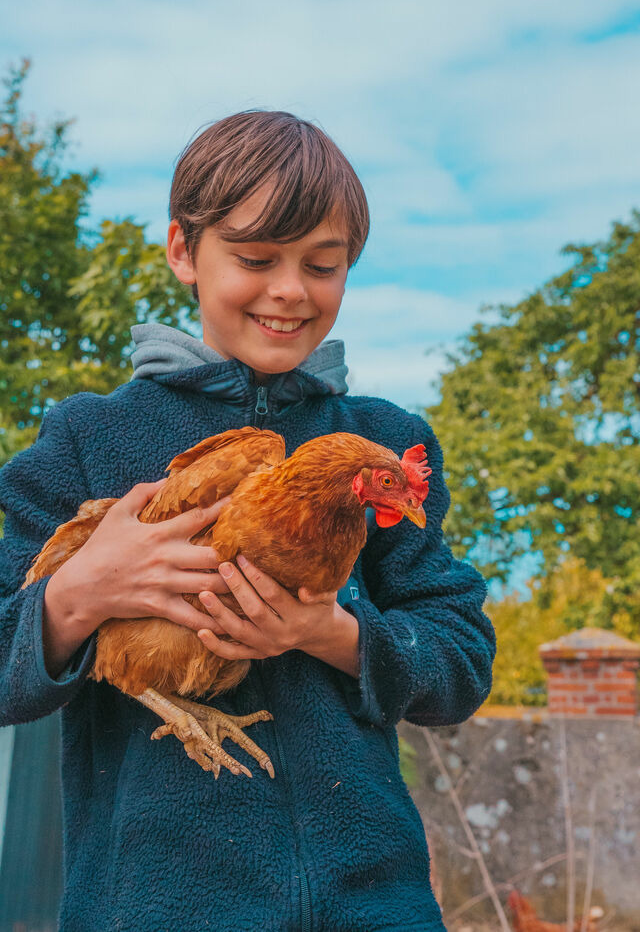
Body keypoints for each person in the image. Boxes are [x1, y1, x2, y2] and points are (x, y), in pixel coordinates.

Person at [0, 111, 495, 931]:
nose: (290, 290)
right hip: (157, 904)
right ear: (183, 253)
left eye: (323, 264)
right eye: (256, 258)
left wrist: (331, 631)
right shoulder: (92, 437)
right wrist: (75, 596)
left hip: (374, 901)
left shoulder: (385, 446)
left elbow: (460, 660)